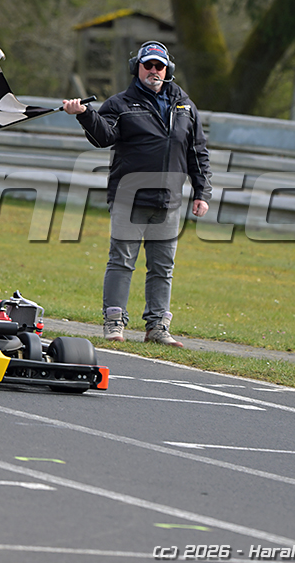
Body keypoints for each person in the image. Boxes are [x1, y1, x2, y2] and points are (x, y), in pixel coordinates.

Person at [62, 40, 211, 346]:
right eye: (148, 65)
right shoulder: (120, 104)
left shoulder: (185, 106)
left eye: (159, 66)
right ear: (137, 68)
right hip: (129, 199)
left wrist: (201, 192)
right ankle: (114, 322)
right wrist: (85, 114)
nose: (154, 70)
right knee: (121, 261)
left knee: (162, 267)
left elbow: (197, 152)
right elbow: (103, 137)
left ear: (168, 69)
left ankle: (157, 327)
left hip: (169, 201)